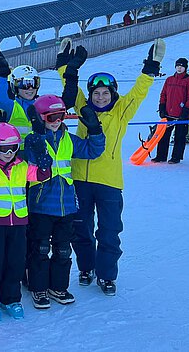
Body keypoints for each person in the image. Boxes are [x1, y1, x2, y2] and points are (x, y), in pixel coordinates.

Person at [57, 37, 166, 295]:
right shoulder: (83, 107)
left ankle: (106, 275)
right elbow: (69, 84)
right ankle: (87, 267)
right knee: (80, 228)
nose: (101, 96)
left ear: (113, 93)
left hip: (109, 182)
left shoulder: (121, 111)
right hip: (80, 180)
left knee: (109, 231)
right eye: (97, 92)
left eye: (106, 92)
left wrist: (150, 68)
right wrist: (64, 64)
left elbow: (139, 91)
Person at [0, 123, 52, 322]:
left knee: (16, 262)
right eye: (5, 148)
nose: (10, 152)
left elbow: (43, 174)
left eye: (14, 147)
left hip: (19, 222)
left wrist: (42, 153)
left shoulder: (22, 165)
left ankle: (11, 299)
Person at [26, 95, 105, 309]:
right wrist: (40, 134)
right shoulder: (33, 139)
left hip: (67, 205)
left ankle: (58, 286)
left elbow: (93, 150)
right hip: (42, 204)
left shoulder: (68, 139)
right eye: (51, 116)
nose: (56, 121)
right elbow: (28, 162)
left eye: (60, 116)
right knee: (40, 248)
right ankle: (38, 287)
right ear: (40, 118)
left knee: (63, 249)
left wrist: (95, 130)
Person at [0, 44, 41, 149]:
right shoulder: (13, 107)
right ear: (15, 86)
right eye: (24, 84)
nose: (30, 88)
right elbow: (0, 99)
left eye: (34, 83)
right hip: (16, 155)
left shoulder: (41, 105)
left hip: (39, 155)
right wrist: (3, 73)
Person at [152, 58, 189, 164]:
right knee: (163, 135)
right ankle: (161, 156)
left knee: (179, 136)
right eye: (177, 66)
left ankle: (176, 157)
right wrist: (162, 107)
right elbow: (163, 94)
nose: (179, 68)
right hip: (168, 113)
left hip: (181, 114)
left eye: (182, 66)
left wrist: (186, 110)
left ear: (185, 68)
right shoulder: (169, 80)